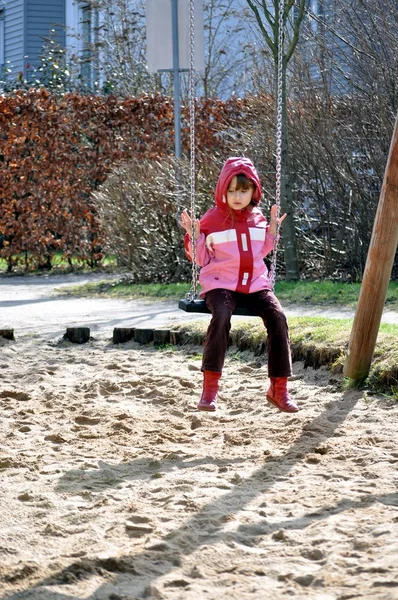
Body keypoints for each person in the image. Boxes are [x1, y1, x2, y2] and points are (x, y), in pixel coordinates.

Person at [179, 156, 299, 414]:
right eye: (231, 190)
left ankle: (279, 388)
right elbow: (200, 259)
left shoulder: (257, 218)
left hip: (255, 285)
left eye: (243, 190)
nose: (236, 196)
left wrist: (272, 233)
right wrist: (195, 235)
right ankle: (210, 389)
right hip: (221, 285)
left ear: (254, 191)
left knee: (278, 317)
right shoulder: (212, 219)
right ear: (223, 190)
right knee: (221, 316)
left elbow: (263, 251)